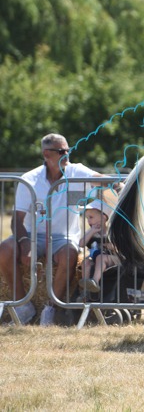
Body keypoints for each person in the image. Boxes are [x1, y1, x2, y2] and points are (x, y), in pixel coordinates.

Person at [0, 134, 108, 325]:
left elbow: (101, 180)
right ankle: (22, 306)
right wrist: (25, 244)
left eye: (68, 150)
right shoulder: (30, 179)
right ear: (46, 154)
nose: (66, 154)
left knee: (69, 254)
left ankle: (50, 309)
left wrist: (117, 182)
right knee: (5, 249)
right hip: (32, 235)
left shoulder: (77, 171)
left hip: (64, 237)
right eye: (61, 151)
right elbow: (17, 220)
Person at [78, 191, 120, 293]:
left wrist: (111, 246)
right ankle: (86, 288)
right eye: (87, 218)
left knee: (101, 257)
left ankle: (95, 281)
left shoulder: (112, 232)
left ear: (104, 217)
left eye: (91, 217)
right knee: (86, 262)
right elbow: (81, 244)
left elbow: (120, 248)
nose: (89, 221)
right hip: (98, 259)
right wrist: (91, 231)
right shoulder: (92, 233)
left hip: (114, 259)